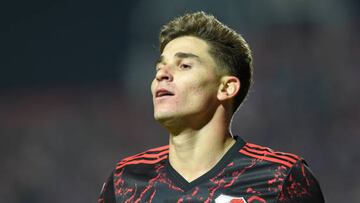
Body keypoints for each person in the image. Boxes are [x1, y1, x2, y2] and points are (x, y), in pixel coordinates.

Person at [98, 11, 325, 203]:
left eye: (184, 65)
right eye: (160, 66)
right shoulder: (126, 180)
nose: (162, 74)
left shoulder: (282, 178)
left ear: (226, 87)